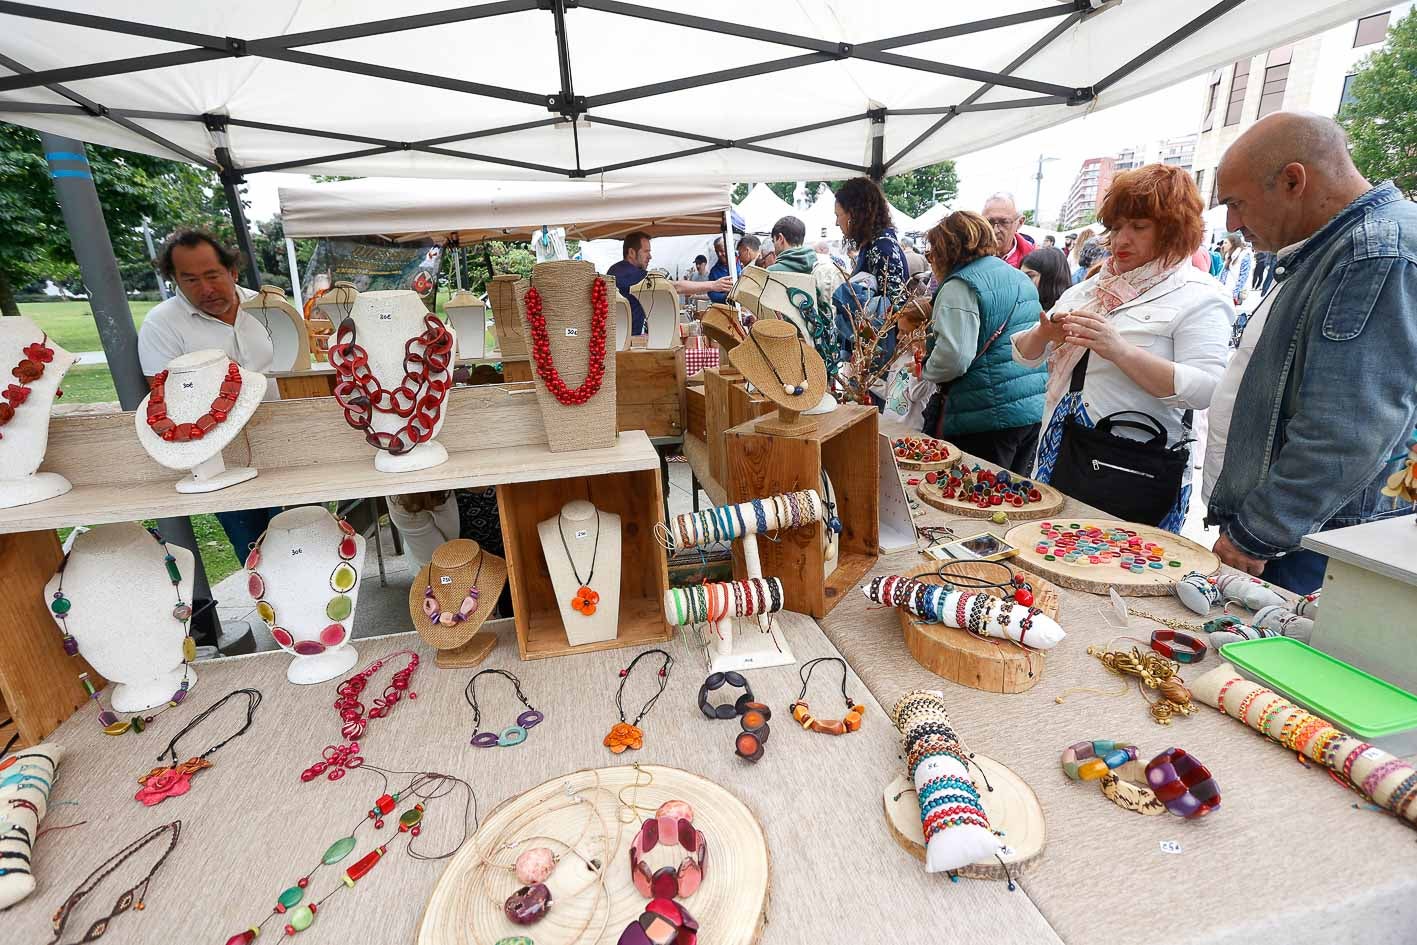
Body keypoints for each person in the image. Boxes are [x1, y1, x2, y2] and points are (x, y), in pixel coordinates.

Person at [1206, 111, 1417, 592]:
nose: (1233, 224)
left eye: (1236, 204)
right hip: (1310, 533)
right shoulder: (1348, 245)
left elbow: (1347, 427)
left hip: (1318, 542)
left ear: (1293, 181)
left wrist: (1259, 531)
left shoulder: (1374, 251)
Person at [1012, 164, 1231, 533]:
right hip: (1062, 451)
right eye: (1116, 228)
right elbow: (1024, 354)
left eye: (1139, 227)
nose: (1121, 240)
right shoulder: (1091, 287)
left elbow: (1206, 388)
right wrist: (1046, 334)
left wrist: (1119, 350)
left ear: (1173, 229)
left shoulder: (1200, 296)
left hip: (1131, 466)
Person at [139, 229, 280, 581]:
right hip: (218, 449)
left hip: (285, 439)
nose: (206, 289)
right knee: (252, 544)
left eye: (213, 275)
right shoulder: (162, 324)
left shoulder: (269, 308)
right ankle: (276, 615)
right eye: (190, 279)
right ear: (174, 280)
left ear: (232, 271)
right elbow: (163, 399)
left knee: (308, 529)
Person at [914, 212, 1046, 471]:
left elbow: (954, 358)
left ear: (947, 249)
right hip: (1029, 409)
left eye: (933, 253)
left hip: (983, 416)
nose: (932, 260)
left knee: (973, 501)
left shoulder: (960, 285)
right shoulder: (1018, 276)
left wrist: (926, 370)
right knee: (1009, 499)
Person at [832, 177, 912, 369]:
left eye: (838, 214)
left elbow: (897, 308)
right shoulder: (875, 246)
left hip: (880, 358)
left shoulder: (881, 248)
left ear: (853, 214)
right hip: (873, 352)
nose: (836, 222)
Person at [605, 231, 730, 334]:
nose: (650, 256)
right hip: (623, 341)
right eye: (646, 251)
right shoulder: (629, 273)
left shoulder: (617, 270)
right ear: (631, 253)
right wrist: (713, 285)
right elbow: (676, 286)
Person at [766, 215, 841, 384]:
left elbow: (770, 316)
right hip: (824, 345)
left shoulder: (773, 272)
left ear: (780, 238)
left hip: (790, 347)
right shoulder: (819, 265)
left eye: (773, 241)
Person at [982, 193, 1035, 268]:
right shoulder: (967, 254)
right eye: (989, 222)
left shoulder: (1034, 261)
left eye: (1004, 222)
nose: (995, 230)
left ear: (1020, 222)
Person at [1020, 246, 1073, 312]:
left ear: (1050, 278)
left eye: (1030, 276)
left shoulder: (1068, 314)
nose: (1022, 282)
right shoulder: (1021, 307)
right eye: (1021, 276)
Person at [1218, 233, 1253, 308]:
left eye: (1226, 243)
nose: (1223, 245)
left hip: (1233, 292)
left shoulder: (1244, 255)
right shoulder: (1228, 255)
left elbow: (1244, 276)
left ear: (1233, 244)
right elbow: (1224, 274)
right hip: (1225, 291)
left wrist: (1235, 293)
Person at [707, 237, 732, 303]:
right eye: (717, 251)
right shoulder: (714, 271)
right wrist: (725, 296)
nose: (719, 254)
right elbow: (711, 293)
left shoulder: (740, 262)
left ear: (728, 248)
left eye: (721, 250)